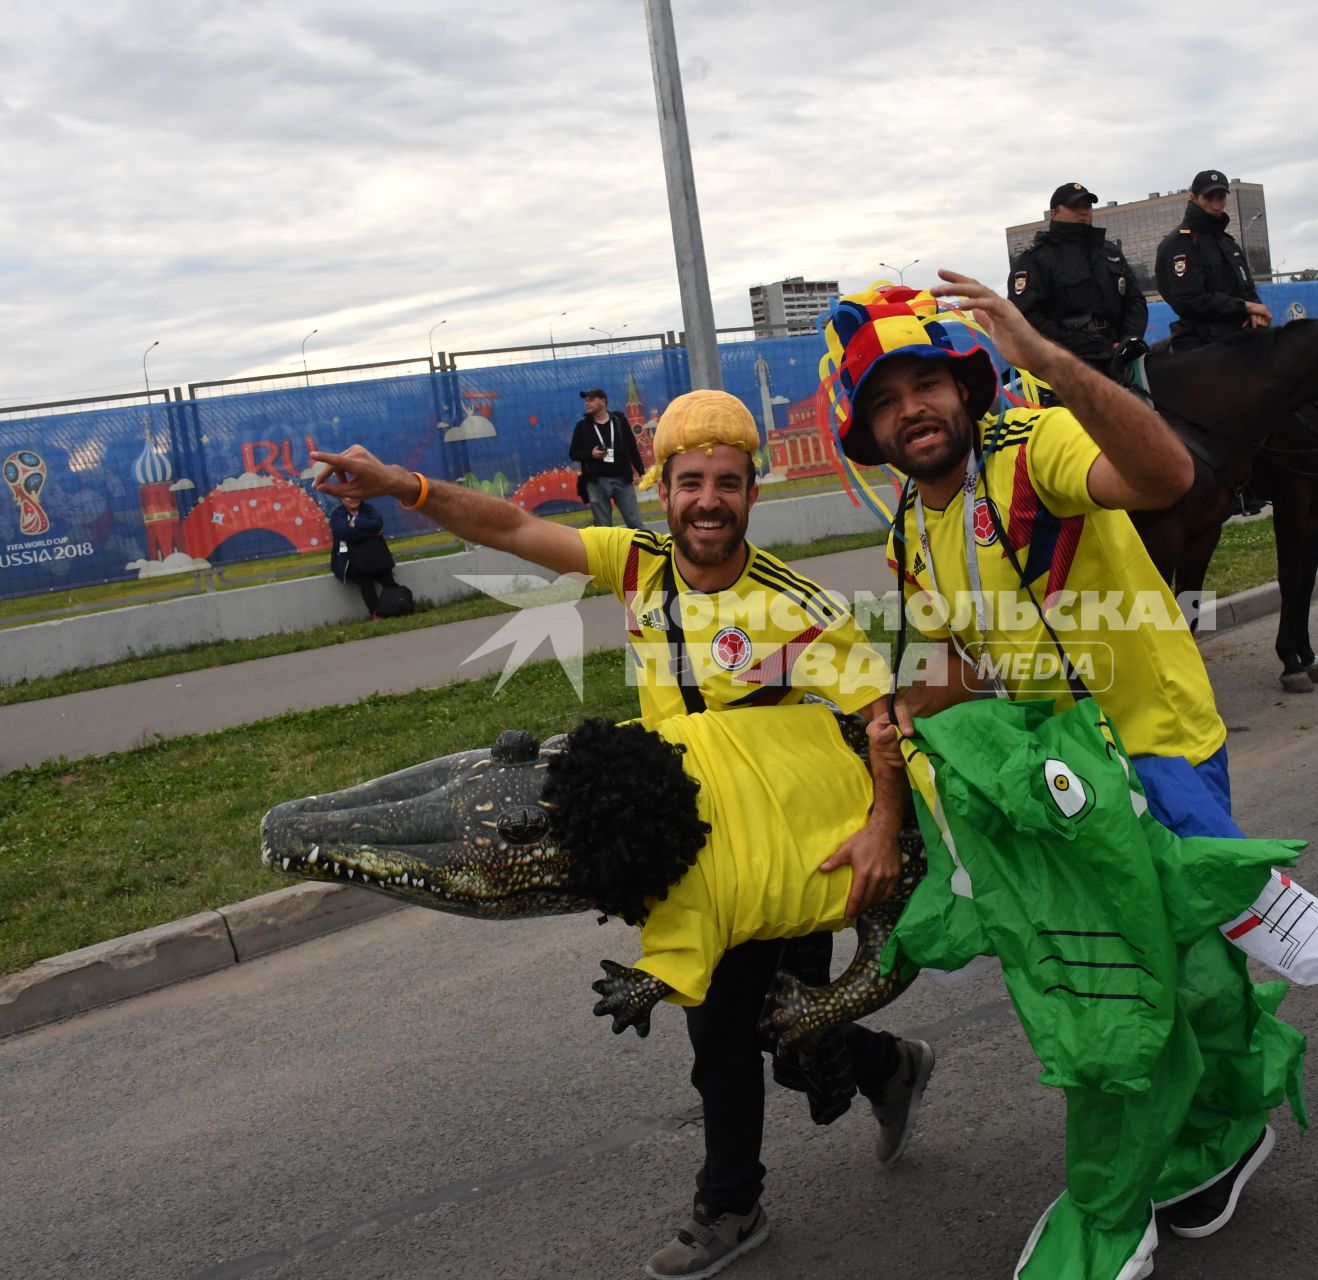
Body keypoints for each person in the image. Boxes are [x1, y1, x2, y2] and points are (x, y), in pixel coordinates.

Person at [311, 389, 929, 1280]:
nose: (707, 500)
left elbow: (884, 721)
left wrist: (880, 828)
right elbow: (513, 528)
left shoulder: (796, 606)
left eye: (726, 483)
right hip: (692, 855)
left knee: (765, 1035)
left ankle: (746, 1189)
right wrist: (401, 484)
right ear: (663, 490)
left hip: (786, 854)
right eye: (689, 483)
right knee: (740, 1032)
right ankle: (861, 1092)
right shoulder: (638, 564)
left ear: (752, 495)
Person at [821, 274, 1289, 1252]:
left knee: (1193, 968)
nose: (910, 410)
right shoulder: (913, 521)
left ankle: (1220, 1126)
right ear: (867, 428)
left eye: (924, 385)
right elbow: (958, 656)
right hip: (1064, 779)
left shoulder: (1034, 447)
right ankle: (1190, 1138)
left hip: (1155, 744)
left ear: (964, 384)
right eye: (883, 399)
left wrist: (1050, 361)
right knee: (1126, 985)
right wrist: (892, 713)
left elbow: (1166, 476)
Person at [1006, 181, 1148, 376]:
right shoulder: (1036, 258)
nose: (1083, 212)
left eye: (1087, 206)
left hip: (1120, 355)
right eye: (1074, 207)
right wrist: (1086, 346)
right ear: (1054, 213)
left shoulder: (1109, 251)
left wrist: (1128, 341)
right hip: (1069, 364)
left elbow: (1135, 301)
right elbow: (1027, 317)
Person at [1154, 169, 1270, 351]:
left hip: (1240, 334)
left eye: (1221, 198)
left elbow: (1247, 289)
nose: (1216, 206)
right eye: (1209, 198)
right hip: (1200, 341)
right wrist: (1245, 307)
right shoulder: (1180, 243)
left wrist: (1256, 311)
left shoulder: (1228, 244)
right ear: (1193, 198)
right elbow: (1189, 300)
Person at [569, 387, 646, 529]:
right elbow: (573, 453)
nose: (587, 403)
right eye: (586, 401)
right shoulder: (582, 426)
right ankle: (606, 552)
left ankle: (644, 550)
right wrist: (591, 454)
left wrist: (640, 471)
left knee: (635, 523)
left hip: (622, 480)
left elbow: (631, 446)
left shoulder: (619, 421)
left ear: (603, 401)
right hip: (596, 482)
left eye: (591, 400)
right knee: (603, 528)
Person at [328, 495, 399, 619]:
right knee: (364, 578)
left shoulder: (368, 508)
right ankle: (376, 613)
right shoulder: (337, 514)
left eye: (355, 495)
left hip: (374, 555)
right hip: (349, 559)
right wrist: (370, 533)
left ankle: (397, 606)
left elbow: (378, 524)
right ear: (342, 500)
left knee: (386, 576)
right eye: (348, 497)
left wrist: (355, 522)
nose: (352, 499)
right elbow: (344, 533)